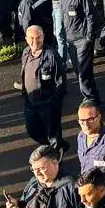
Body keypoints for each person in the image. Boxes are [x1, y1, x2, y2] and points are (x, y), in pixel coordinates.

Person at [54, 0, 101, 105]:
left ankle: (90, 101)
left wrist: (89, 38)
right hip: (71, 41)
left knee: (83, 73)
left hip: (82, 40)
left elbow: (90, 15)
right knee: (79, 71)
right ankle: (94, 98)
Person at [20, 25, 67, 153]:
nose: (35, 41)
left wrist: (55, 102)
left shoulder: (51, 56)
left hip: (47, 103)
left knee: (53, 134)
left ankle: (56, 158)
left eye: (38, 37)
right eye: (31, 38)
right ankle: (52, 147)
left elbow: (61, 82)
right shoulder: (25, 52)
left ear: (43, 37)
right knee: (32, 129)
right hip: (30, 102)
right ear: (26, 39)